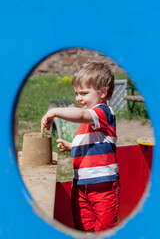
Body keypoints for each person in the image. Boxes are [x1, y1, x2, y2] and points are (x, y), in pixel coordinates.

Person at [41, 61, 120, 232]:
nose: (78, 98)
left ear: (103, 92)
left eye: (84, 93)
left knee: (105, 228)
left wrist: (54, 112)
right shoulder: (88, 122)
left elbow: (83, 114)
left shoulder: (104, 112)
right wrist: (71, 146)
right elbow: (93, 143)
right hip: (80, 185)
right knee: (83, 227)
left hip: (103, 185)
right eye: (76, 93)